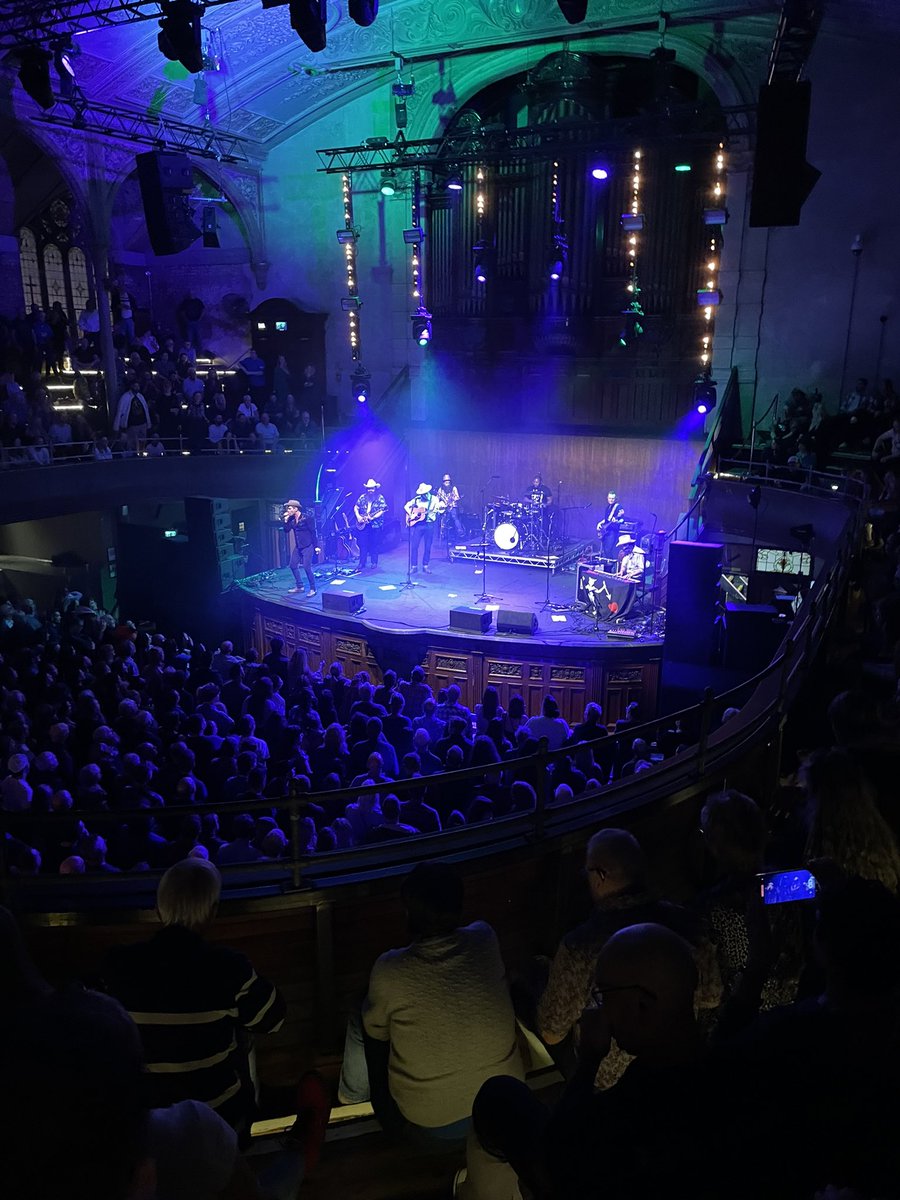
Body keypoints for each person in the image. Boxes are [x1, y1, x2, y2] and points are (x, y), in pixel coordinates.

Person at [338, 861, 524, 1151]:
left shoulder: (389, 968)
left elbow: (376, 1035)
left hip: (431, 1124)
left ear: (408, 912)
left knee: (362, 1014)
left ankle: (351, 1098)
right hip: (507, 1107)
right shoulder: (485, 937)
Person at [103, 857, 285, 1134]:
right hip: (217, 1114)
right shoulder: (229, 967)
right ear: (213, 912)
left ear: (158, 909)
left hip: (148, 1119)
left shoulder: (118, 964)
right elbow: (274, 1020)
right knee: (243, 1031)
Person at [283, 498, 320, 598]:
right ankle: (300, 586)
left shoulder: (307, 518)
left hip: (308, 546)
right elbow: (286, 530)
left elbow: (313, 532)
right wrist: (286, 521)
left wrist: (316, 546)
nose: (288, 510)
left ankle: (313, 589)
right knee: (293, 565)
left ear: (296, 508)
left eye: (289, 508)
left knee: (307, 567)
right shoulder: (291, 520)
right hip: (299, 546)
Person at [404, 482, 443, 574]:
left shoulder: (435, 499)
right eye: (420, 494)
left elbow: (439, 509)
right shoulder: (417, 499)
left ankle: (425, 565)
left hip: (429, 525)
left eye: (423, 494)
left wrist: (440, 509)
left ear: (427, 493)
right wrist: (412, 514)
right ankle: (414, 566)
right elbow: (406, 506)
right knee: (414, 546)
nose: (422, 496)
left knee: (428, 546)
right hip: (418, 525)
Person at [354, 477, 387, 571]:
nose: (370, 490)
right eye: (369, 488)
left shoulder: (380, 498)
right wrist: (358, 517)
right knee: (362, 544)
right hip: (364, 525)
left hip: (375, 525)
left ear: (375, 489)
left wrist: (373, 517)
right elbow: (356, 507)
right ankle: (362, 563)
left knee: (374, 544)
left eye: (372, 488)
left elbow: (382, 510)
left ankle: (374, 562)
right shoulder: (362, 497)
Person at [113, 380, 150, 453]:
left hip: (142, 423)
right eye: (135, 386)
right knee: (132, 444)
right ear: (131, 386)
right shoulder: (125, 397)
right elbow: (120, 411)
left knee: (142, 442)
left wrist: (148, 423)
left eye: (138, 386)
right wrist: (117, 426)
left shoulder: (140, 396)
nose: (137, 388)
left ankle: (141, 454)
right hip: (132, 425)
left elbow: (146, 410)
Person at [597, 490, 626, 558]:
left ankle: (611, 566)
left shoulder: (618, 507)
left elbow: (622, 520)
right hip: (606, 531)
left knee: (609, 549)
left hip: (613, 531)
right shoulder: (608, 507)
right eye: (610, 498)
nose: (611, 500)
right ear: (607, 498)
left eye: (613, 498)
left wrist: (616, 521)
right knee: (605, 550)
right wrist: (600, 523)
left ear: (615, 499)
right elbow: (607, 519)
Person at [436, 472, 464, 542]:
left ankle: (461, 533)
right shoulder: (440, 489)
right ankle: (442, 535)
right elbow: (437, 498)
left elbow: (457, 497)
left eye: (448, 480)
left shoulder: (453, 488)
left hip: (452, 506)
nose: (447, 482)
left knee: (455, 518)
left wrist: (453, 500)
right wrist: (440, 504)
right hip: (444, 508)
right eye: (445, 480)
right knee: (443, 520)